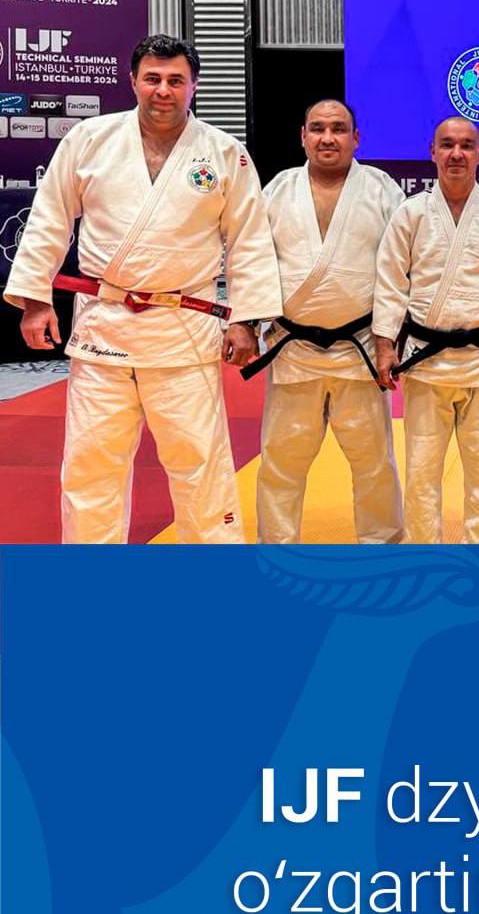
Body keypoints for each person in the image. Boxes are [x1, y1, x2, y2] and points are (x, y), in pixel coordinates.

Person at [3, 33, 281, 543]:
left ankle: (216, 575)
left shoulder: (224, 153)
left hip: (183, 331)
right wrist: (35, 300)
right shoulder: (89, 140)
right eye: (152, 78)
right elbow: (48, 220)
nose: (163, 90)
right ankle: (94, 577)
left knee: (200, 464)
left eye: (176, 80)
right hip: (103, 328)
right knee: (91, 465)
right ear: (133, 81)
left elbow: (250, 240)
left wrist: (246, 320)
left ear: (194, 86)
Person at [372, 117, 479, 544]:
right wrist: (384, 346)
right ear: (432, 151)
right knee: (421, 472)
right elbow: (391, 283)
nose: (456, 154)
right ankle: (423, 554)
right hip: (424, 359)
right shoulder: (411, 213)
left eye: (467, 146)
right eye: (447, 145)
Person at [250, 100, 405, 543]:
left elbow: (400, 269)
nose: (328, 138)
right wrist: (247, 323)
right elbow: (254, 260)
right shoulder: (279, 189)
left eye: (339, 129)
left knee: (373, 461)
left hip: (361, 348)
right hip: (294, 347)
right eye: (317, 128)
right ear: (303, 136)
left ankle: (382, 546)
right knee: (281, 460)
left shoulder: (381, 190)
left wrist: (389, 339)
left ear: (356, 138)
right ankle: (277, 548)